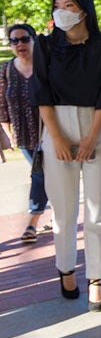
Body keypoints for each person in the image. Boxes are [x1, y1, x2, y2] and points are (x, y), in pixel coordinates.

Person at [31, 0, 101, 312]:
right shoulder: (44, 46)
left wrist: (89, 139)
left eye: (69, 4)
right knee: (64, 210)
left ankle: (96, 279)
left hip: (96, 127)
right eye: (57, 5)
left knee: (99, 210)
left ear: (83, 9)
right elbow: (41, 93)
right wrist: (57, 138)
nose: (62, 10)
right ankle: (66, 269)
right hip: (57, 127)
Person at [1, 24, 49, 242]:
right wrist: (8, 133)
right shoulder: (6, 70)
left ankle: (32, 221)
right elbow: (2, 104)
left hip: (49, 132)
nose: (19, 44)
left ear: (33, 39)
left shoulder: (46, 65)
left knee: (39, 174)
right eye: (14, 41)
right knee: (45, 176)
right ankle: (59, 215)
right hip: (24, 135)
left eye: (24, 39)